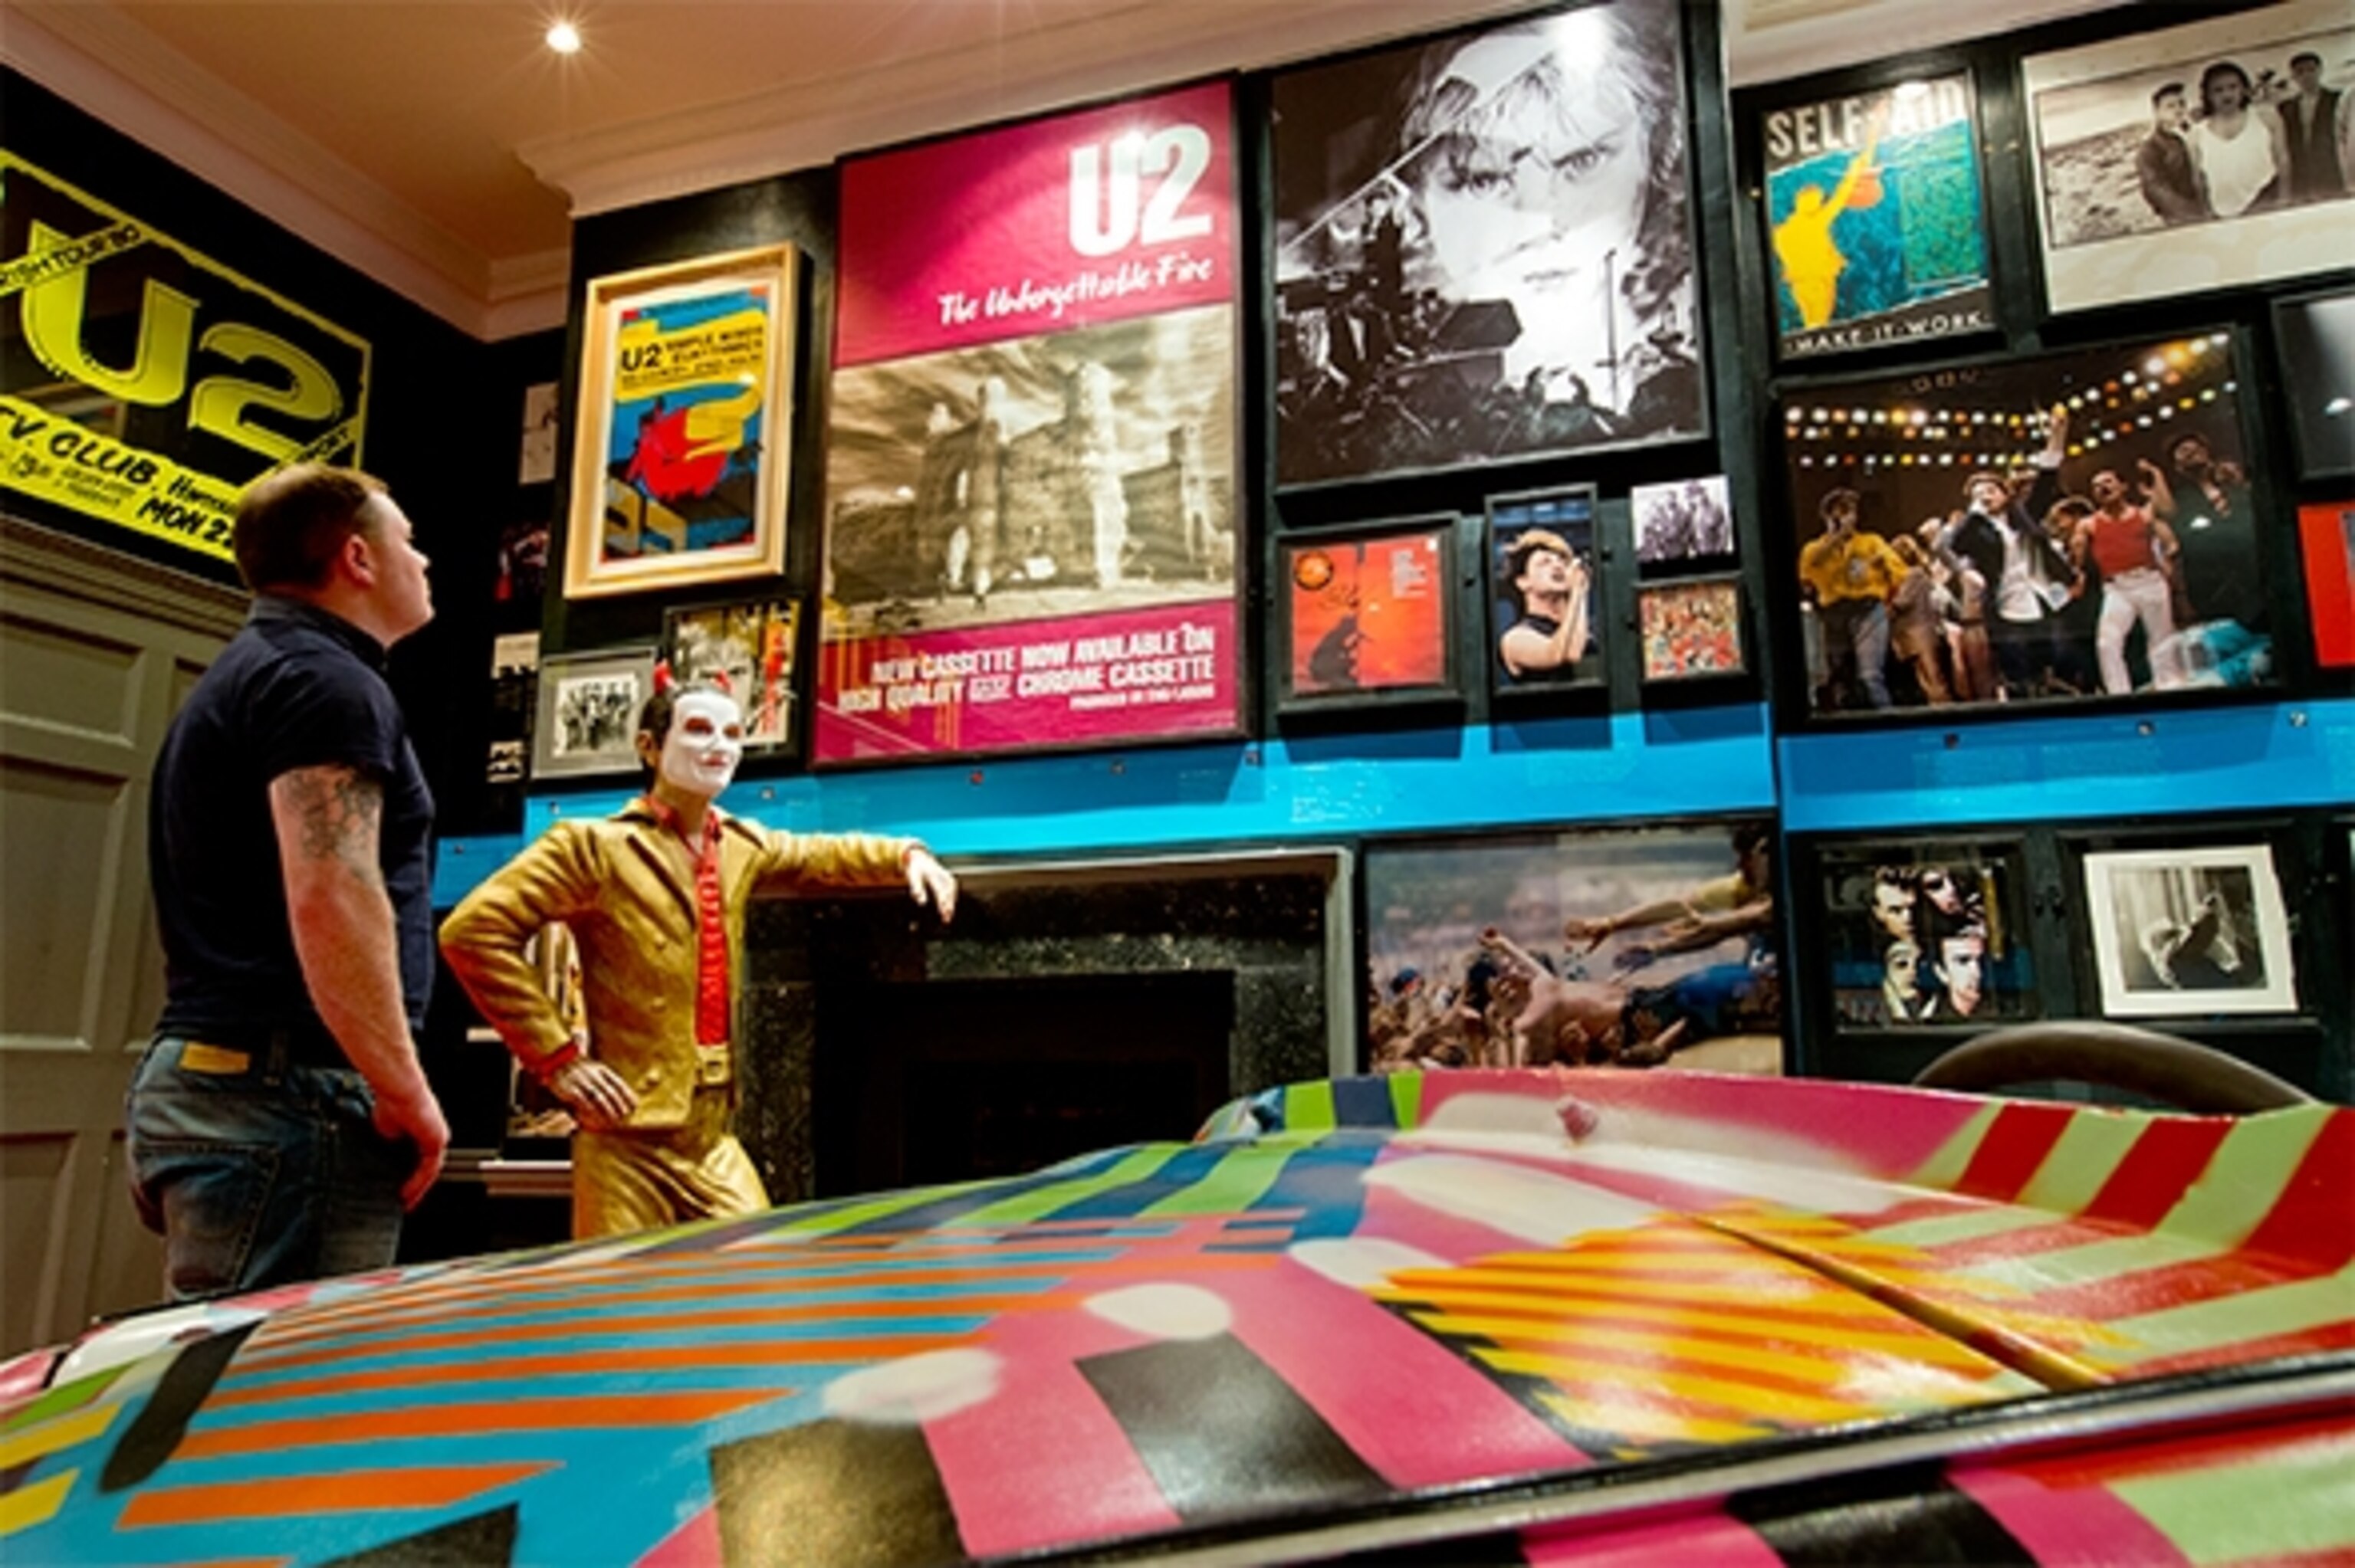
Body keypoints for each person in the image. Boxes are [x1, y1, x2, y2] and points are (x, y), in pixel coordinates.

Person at [441, 675, 959, 1239]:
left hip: (711, 1138)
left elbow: (819, 854)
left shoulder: (739, 844)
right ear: (649, 747)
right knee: (622, 1288)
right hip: (624, 1138)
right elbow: (473, 931)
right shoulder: (592, 847)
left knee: (760, 1269)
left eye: (733, 734)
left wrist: (906, 854)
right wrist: (558, 1058)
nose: (719, 746)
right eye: (698, 729)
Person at [128, 464, 450, 1302]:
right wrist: (404, 1088)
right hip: (287, 1097)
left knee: (230, 1368)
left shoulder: (264, 670)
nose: (424, 561)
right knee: (277, 1378)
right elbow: (333, 893)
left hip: (238, 1087)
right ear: (358, 558)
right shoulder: (326, 683)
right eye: (409, 541)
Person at [1394, 2, 1695, 428]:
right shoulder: (1411, 397)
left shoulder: (1682, 362)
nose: (1540, 224)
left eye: (1582, 161)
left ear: (1656, 157)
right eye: (1483, 179)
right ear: (1419, 202)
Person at [1945, 408, 2075, 700]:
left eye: (1991, 490)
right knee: (2017, 667)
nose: (1985, 496)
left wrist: (2057, 434)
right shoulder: (1976, 531)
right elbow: (1955, 543)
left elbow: (2047, 477)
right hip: (2005, 608)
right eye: (1978, 494)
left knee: (2059, 656)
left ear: (2006, 495)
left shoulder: (2024, 517)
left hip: (2043, 597)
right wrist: (1975, 512)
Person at [1562, 822, 1775, 969]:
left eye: (1748, 858)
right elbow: (1680, 906)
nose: (1740, 866)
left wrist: (1709, 924)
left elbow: (1751, 917)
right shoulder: (1740, 887)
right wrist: (1612, 923)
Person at [1772, 101, 1889, 328]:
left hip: (1800, 282)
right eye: (1817, 199)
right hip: (1816, 281)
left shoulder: (1782, 231)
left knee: (1812, 325)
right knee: (1818, 326)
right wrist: (1855, 169)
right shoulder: (1815, 221)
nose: (1819, 202)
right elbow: (1842, 193)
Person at [2072, 463, 2186, 694]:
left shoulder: (2144, 515)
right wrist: (2077, 571)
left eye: (2108, 482)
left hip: (2149, 581)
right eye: (2096, 486)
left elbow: (2171, 540)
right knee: (2107, 643)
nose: (2102, 488)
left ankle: (2169, 687)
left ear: (2123, 487)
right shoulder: (2088, 524)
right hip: (2117, 588)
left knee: (2161, 637)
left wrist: (2168, 561)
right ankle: (2118, 693)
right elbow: (2078, 561)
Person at [1797, 488, 1907, 710]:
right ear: (1827, 517)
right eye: (1838, 512)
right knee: (1838, 676)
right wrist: (1835, 538)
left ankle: (1887, 722)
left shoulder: (1871, 542)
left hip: (1868, 610)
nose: (1845, 518)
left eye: (1849, 512)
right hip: (1833, 614)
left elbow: (1899, 573)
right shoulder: (1813, 549)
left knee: (1870, 676)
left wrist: (1888, 589)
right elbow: (1807, 571)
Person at [2188, 61, 2289, 218]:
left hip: (2267, 203)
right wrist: (2207, 213)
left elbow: (2283, 160)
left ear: (2244, 89)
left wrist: (2285, 201)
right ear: (2207, 95)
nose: (2227, 95)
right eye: (2218, 90)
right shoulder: (2197, 133)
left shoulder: (2266, 117)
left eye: (2233, 87)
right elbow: (2198, 180)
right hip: (2223, 214)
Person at [1496, 527, 1592, 682]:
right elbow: (1566, 654)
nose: (1558, 566)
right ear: (1523, 582)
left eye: (1563, 561)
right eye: (1545, 562)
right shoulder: (1515, 639)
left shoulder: (1583, 627)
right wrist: (1578, 591)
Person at [2135, 82, 2206, 225]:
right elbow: (2157, 191)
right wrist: (2195, 214)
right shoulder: (2150, 149)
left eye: (2181, 104)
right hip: (2184, 218)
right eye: (2170, 106)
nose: (2178, 110)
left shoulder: (2199, 134)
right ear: (2157, 112)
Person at [2278, 51, 2344, 203]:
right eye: (2300, 72)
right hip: (2301, 171)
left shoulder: (2336, 99)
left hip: (2331, 166)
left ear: (2320, 70)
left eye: (2311, 70)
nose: (2306, 76)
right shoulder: (2286, 108)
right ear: (2294, 76)